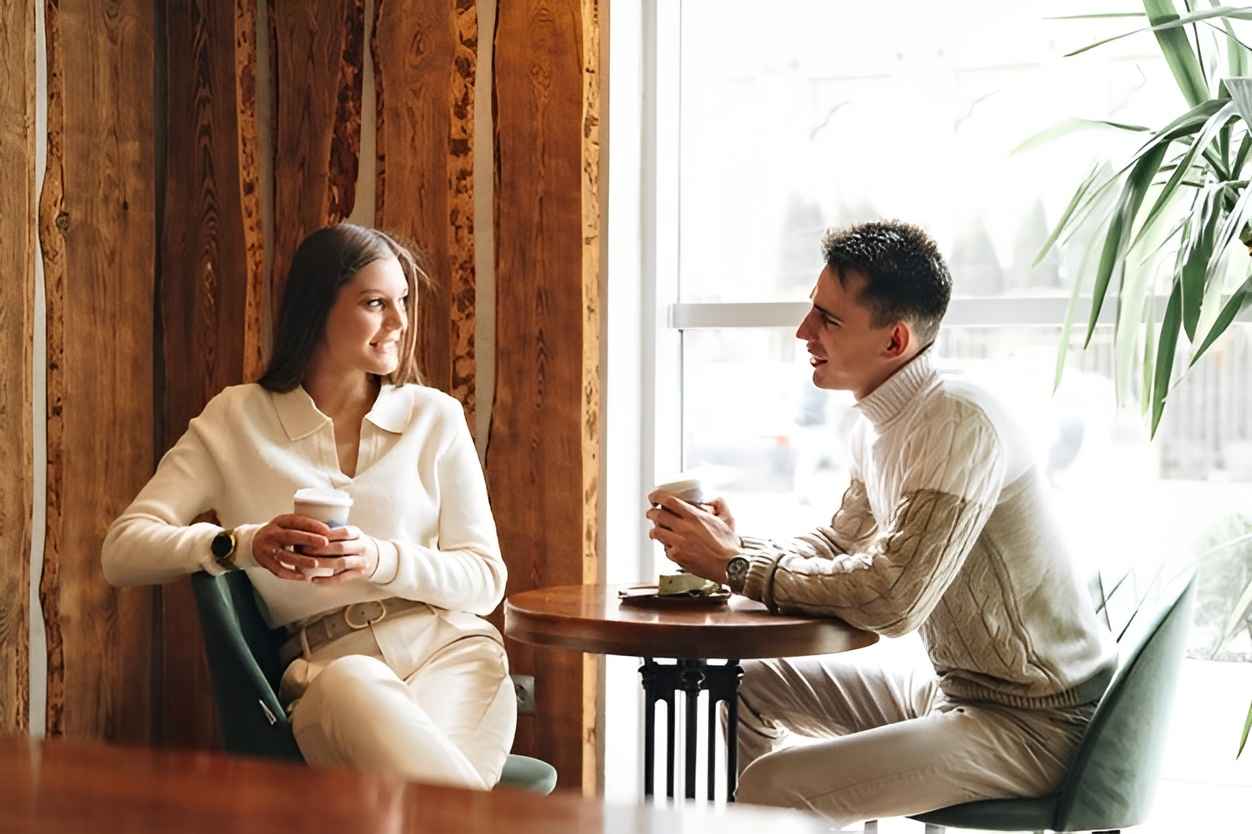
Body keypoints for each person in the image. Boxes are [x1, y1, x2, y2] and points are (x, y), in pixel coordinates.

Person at [645, 220, 1116, 826]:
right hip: (956, 698)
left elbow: (893, 598)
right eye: (811, 310)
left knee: (773, 787)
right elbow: (841, 543)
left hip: (1038, 724)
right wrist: (735, 547)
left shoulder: (955, 421)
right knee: (747, 685)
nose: (802, 331)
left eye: (828, 320)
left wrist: (735, 565)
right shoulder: (877, 425)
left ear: (894, 341)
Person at [103, 223, 515, 789]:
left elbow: (486, 580)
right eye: (375, 303)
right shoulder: (237, 419)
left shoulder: (433, 417)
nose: (399, 323)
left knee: (420, 807)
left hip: (454, 660)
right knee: (362, 696)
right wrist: (242, 544)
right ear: (317, 307)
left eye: (403, 302)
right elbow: (123, 551)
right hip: (329, 676)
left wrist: (378, 559)